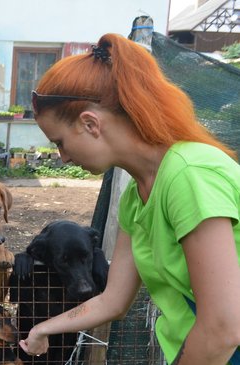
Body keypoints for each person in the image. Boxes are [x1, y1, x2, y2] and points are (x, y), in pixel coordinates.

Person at [19, 33, 240, 365]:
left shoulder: (188, 175)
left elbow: (223, 329)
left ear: (90, 123)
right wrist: (42, 329)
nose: (62, 157)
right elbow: (113, 300)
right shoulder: (136, 198)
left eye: (60, 142)